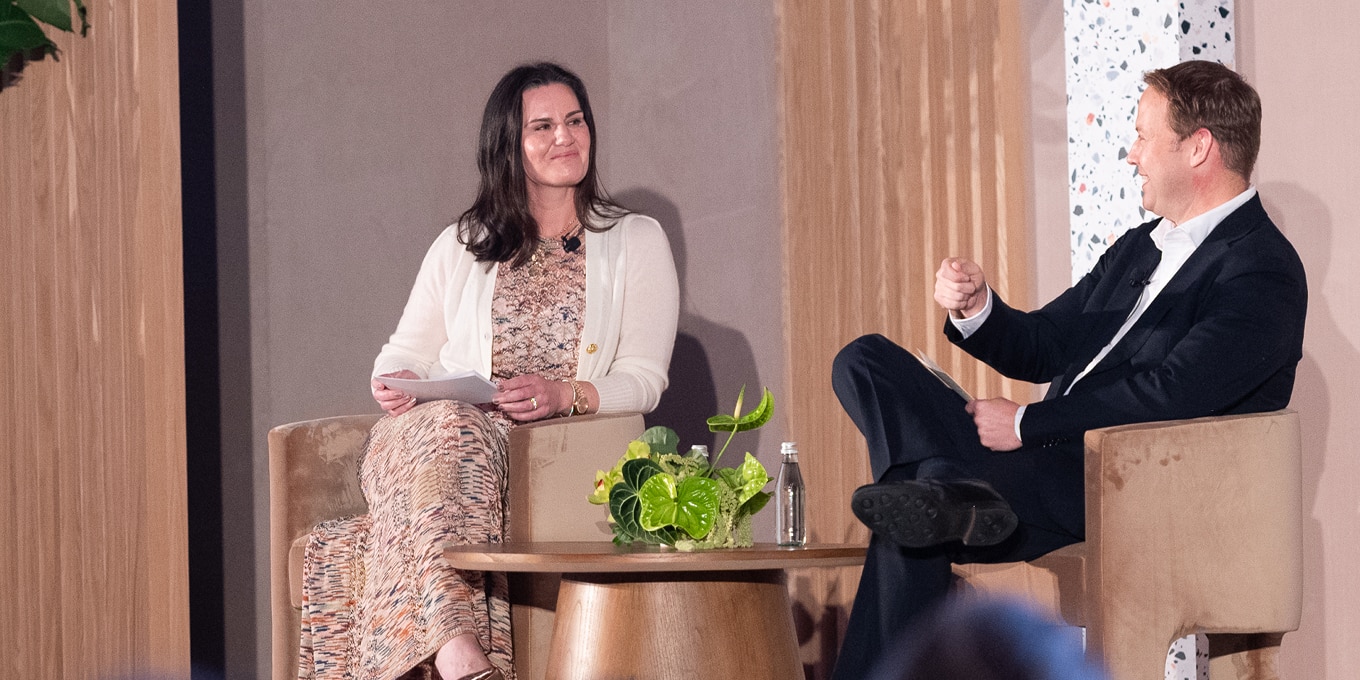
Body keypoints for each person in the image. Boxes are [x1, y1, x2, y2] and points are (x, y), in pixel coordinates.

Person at [829, 60, 1306, 679]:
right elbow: (1048, 342)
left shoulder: (1261, 269)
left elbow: (1171, 395)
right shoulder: (1143, 245)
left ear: (1199, 148)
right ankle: (945, 494)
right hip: (1037, 460)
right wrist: (979, 307)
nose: (1130, 154)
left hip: (1122, 486)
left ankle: (940, 495)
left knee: (918, 499)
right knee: (864, 362)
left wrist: (1029, 424)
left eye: (1141, 135)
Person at [296, 62, 679, 680]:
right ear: (509, 145)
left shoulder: (636, 240)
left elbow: (644, 379)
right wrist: (393, 381)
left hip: (539, 450)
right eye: (544, 126)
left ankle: (450, 652)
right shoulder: (462, 242)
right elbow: (402, 354)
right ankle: (457, 645)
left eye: (576, 121)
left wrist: (565, 394)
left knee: (455, 435)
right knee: (451, 421)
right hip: (429, 439)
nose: (566, 137)